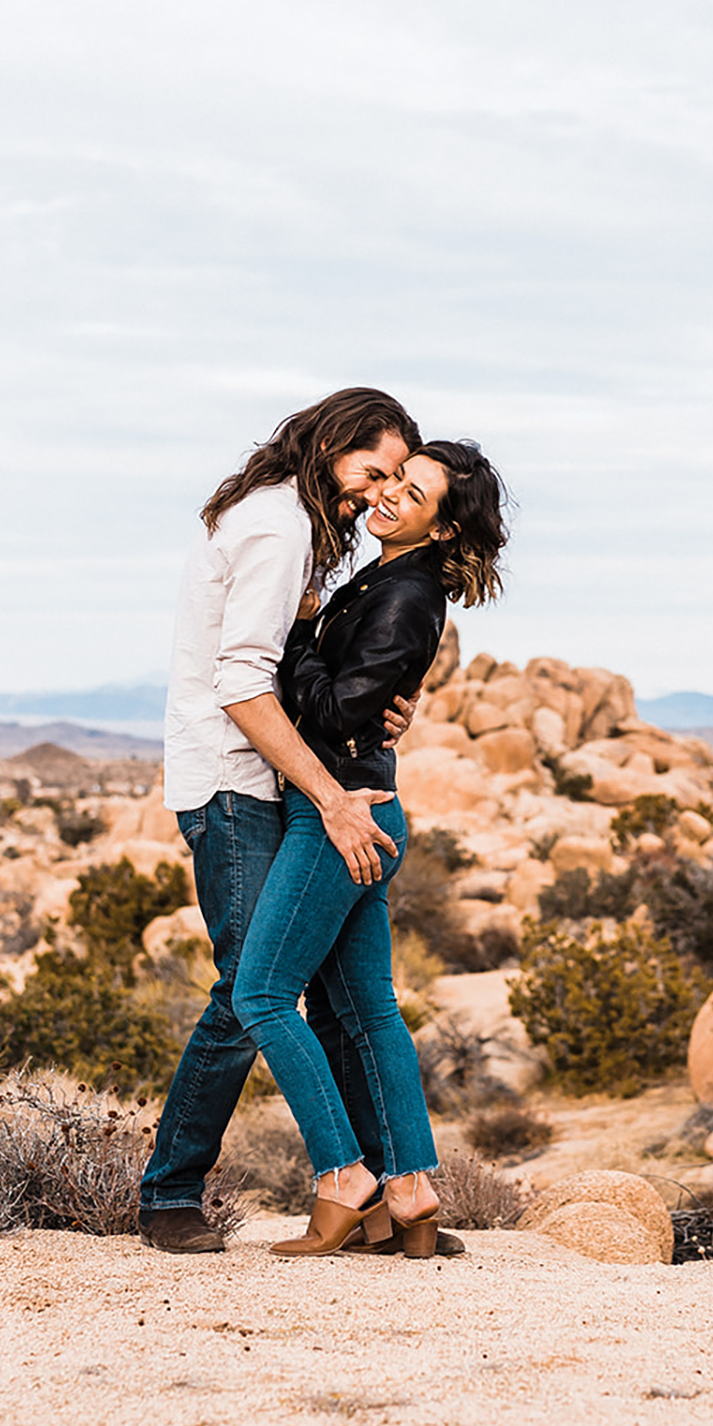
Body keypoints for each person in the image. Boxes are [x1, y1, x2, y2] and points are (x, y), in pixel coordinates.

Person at [138, 386, 423, 1253]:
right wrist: (333, 797)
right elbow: (241, 683)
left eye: (394, 481)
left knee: (339, 994)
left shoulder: (290, 521)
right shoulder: (278, 523)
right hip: (234, 786)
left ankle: (381, 1196)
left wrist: (367, 709)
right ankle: (169, 1195)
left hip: (272, 785)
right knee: (246, 989)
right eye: (370, 470)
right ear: (332, 444)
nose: (374, 493)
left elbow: (300, 669)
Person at [231, 440, 509, 1258]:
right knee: (365, 1009)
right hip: (366, 803)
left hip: (342, 813)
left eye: (413, 492)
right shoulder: (391, 581)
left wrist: (300, 633)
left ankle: (344, 1175)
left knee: (262, 994)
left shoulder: (405, 593)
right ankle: (414, 1189)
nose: (388, 496)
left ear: (443, 523)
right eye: (391, 478)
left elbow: (340, 711)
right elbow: (367, 698)